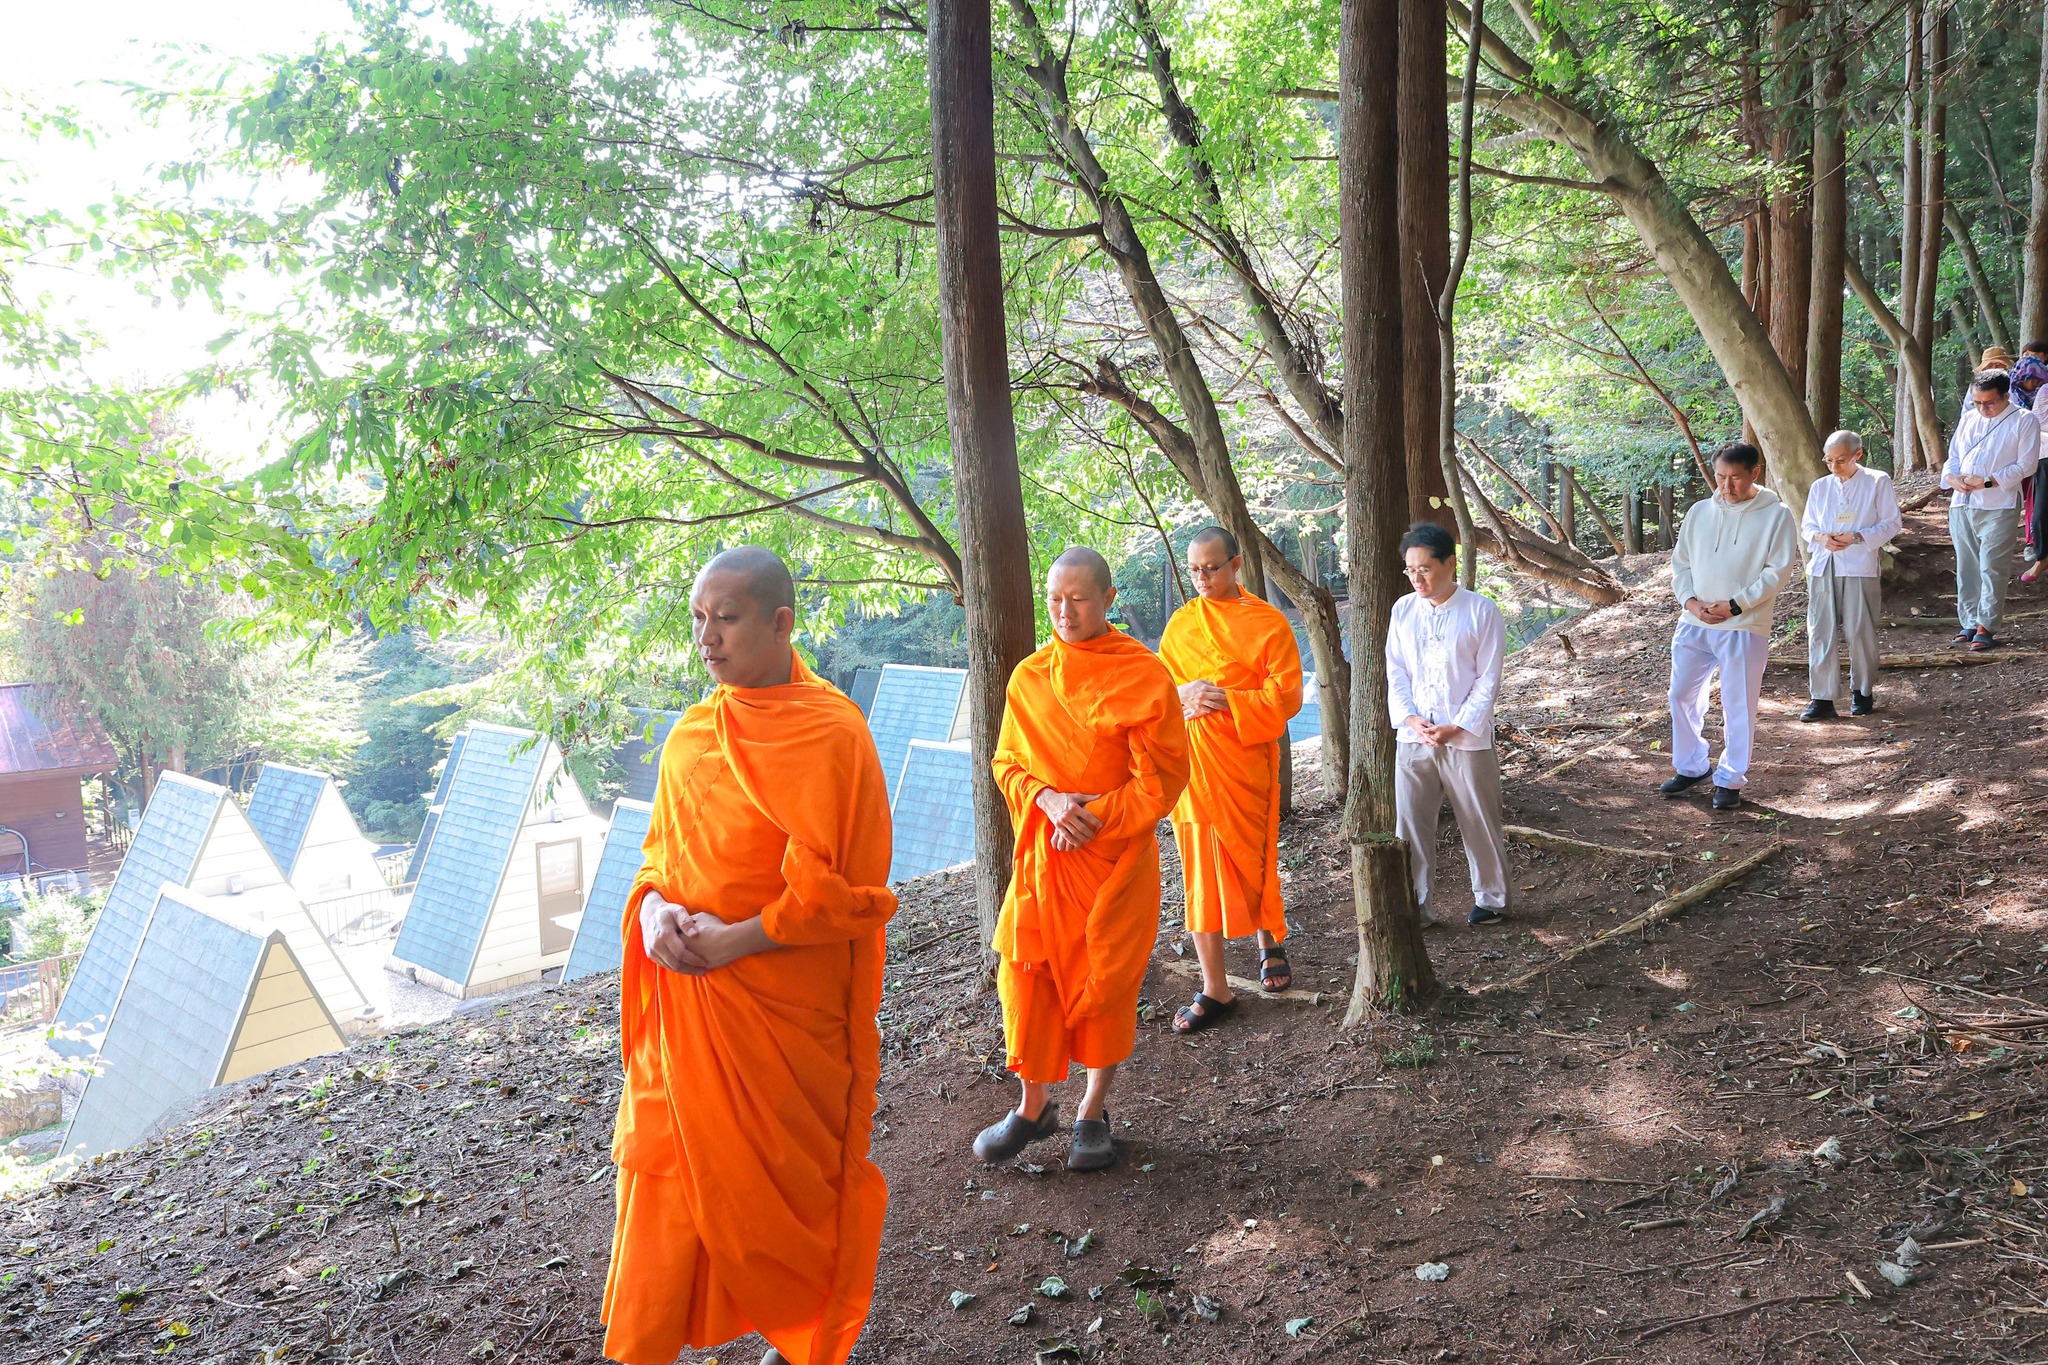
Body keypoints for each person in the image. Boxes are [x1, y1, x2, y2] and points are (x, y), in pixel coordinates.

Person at [604, 547, 897, 1365]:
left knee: (788, 1197)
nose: (707, 638)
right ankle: (644, 1346)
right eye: (697, 618)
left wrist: (736, 940)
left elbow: (844, 893)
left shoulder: (833, 733)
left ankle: (799, 1330)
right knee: (665, 1183)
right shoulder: (692, 735)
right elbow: (656, 858)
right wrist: (656, 909)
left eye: (725, 619)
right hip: (687, 1022)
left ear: (780, 623)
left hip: (781, 1015)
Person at [974, 548, 1189, 1172]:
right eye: (1056, 600)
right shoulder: (1029, 677)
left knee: (1105, 983)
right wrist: (1047, 799)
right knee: (1025, 972)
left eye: (1080, 599)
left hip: (1111, 860)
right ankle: (1033, 1104)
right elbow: (1006, 763)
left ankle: (1093, 1110)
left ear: (1109, 600)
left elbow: (1163, 779)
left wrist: (1088, 817)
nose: (1065, 612)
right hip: (1043, 857)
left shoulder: (1144, 675)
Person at [1157, 527, 1304, 1032]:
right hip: (1195, 766)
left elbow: (1286, 698)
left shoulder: (1266, 623)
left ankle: (1269, 941)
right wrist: (1185, 695)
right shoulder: (1180, 626)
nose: (1202, 578)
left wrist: (1222, 698)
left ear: (1236, 564)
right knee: (1197, 873)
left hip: (1245, 760)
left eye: (1212, 567)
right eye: (1195, 569)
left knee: (1255, 855)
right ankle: (1214, 985)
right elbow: (1161, 694)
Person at [1663, 441, 1801, 811]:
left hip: (1744, 624)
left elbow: (1778, 570)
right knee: (1681, 695)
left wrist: (1735, 605)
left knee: (1738, 704)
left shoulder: (1776, 515)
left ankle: (1730, 778)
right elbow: (1681, 564)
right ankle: (1691, 765)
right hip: (1694, 621)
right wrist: (1691, 602)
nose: (1726, 486)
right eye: (1720, 477)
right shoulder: (1698, 512)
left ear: (1755, 473)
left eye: (1735, 478)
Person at [1385, 522, 1510, 927]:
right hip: (1414, 736)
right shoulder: (1403, 611)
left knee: (1478, 819)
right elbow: (1396, 671)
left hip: (1467, 739)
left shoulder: (1480, 610)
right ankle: (1418, 903)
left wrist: (1456, 726)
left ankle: (1492, 899)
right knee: (1411, 823)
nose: (1417, 578)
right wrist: (1410, 717)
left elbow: (1488, 678)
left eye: (1425, 568)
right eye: (1410, 570)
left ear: (1450, 565)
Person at [1800, 432, 1902, 721]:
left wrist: (1857, 537)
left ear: (1857, 455)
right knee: (1820, 631)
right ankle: (1822, 696)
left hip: (1859, 564)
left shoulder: (1877, 480)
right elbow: (1807, 524)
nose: (1834, 466)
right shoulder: (1820, 487)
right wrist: (1821, 537)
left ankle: (1863, 690)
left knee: (1859, 630)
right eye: (1828, 460)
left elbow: (1892, 522)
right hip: (1823, 565)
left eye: (1840, 460)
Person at [1944, 370, 2041, 650]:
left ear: (2005, 396)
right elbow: (1953, 458)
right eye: (1977, 402)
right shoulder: (1968, 419)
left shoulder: (2024, 421)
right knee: (1967, 567)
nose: (1983, 409)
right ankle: (1969, 621)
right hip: (1962, 504)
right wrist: (1953, 479)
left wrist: (1987, 481)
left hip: (1999, 504)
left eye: (1989, 403)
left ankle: (1987, 625)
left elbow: (2026, 465)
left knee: (1992, 567)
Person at [2014, 352, 2048, 581]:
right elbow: (2038, 423)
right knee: (2040, 512)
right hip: (2043, 455)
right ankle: (2041, 557)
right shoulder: (2045, 392)